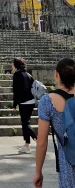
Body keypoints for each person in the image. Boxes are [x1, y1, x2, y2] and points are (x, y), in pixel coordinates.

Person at [33, 58, 75, 188]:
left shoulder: (47, 101)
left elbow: (41, 142)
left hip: (68, 164)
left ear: (56, 74)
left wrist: (38, 171)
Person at [12, 57, 37, 154]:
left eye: (12, 64)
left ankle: (37, 140)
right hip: (31, 101)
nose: (11, 66)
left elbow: (16, 91)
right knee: (25, 122)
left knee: (25, 123)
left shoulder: (17, 75)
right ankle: (27, 145)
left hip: (24, 102)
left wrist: (14, 105)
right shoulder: (28, 74)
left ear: (15, 65)